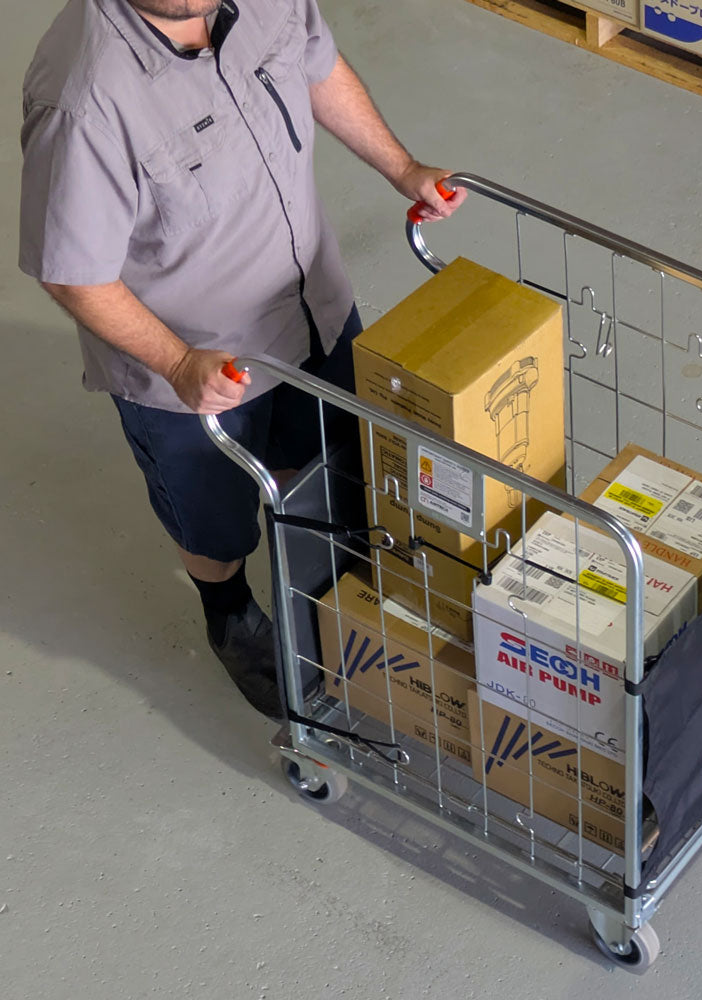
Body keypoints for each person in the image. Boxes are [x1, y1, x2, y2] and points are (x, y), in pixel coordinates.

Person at [19, 0, 465, 719]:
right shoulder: (84, 93)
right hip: (195, 375)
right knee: (216, 524)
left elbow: (315, 68)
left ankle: (327, 581)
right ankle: (227, 611)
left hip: (310, 309)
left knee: (327, 461)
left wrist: (403, 168)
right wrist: (176, 362)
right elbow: (73, 271)